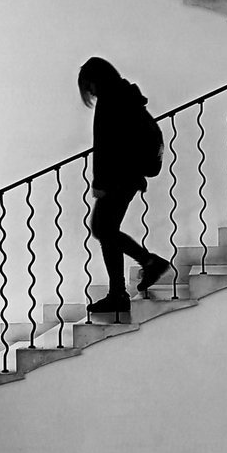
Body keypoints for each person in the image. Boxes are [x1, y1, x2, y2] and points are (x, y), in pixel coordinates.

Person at [78, 56, 170, 317]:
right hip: (129, 176)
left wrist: (99, 182)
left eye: (88, 85)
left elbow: (105, 145)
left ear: (96, 80)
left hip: (119, 177)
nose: (90, 92)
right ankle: (120, 291)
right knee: (106, 230)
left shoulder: (110, 100)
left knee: (102, 228)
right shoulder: (126, 96)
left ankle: (144, 268)